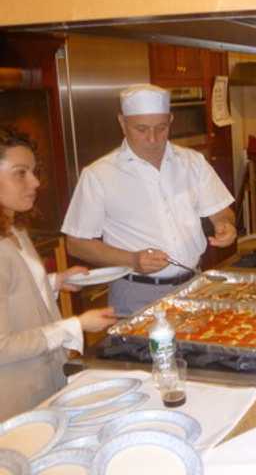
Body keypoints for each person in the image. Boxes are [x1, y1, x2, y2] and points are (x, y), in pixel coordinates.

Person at [62, 84, 237, 315]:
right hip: (136, 294)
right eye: (141, 129)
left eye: (161, 128)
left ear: (170, 120)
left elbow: (221, 211)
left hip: (194, 285)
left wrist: (225, 225)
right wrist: (132, 259)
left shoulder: (192, 162)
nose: (153, 138)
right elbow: (76, 243)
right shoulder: (98, 175)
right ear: (122, 123)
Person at [0, 127, 117, 420]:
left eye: (33, 171)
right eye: (21, 173)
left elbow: (14, 290)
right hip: (15, 395)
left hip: (43, 377)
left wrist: (56, 281)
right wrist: (75, 325)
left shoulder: (13, 229)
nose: (36, 182)